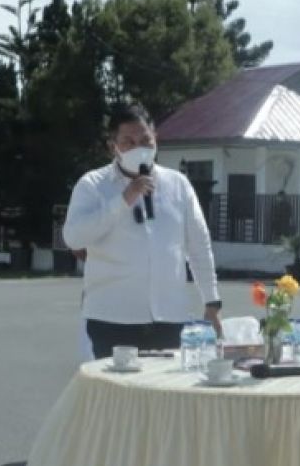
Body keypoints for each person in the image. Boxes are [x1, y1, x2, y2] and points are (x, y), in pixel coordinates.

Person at [62, 102, 223, 360]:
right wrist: (124, 199)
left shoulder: (177, 185)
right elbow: (73, 237)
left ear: (156, 138)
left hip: (169, 317)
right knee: (116, 398)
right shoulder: (93, 185)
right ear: (112, 145)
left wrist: (212, 302)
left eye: (145, 140)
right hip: (112, 317)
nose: (139, 148)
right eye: (128, 141)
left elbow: (199, 246)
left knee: (163, 396)